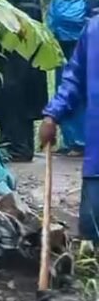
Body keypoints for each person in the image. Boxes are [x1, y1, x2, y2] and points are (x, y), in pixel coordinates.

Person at [40, 16, 99, 242]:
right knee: (90, 229)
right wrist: (52, 115)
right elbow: (74, 79)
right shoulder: (93, 30)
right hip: (97, 161)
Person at [0, 0, 48, 162]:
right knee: (17, 80)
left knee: (12, 81)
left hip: (15, 19)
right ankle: (18, 145)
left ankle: (16, 146)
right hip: (19, 17)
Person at [48, 0, 87, 157]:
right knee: (72, 87)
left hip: (67, 40)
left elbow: (52, 18)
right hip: (76, 39)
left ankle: (77, 141)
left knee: (69, 87)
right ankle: (73, 140)